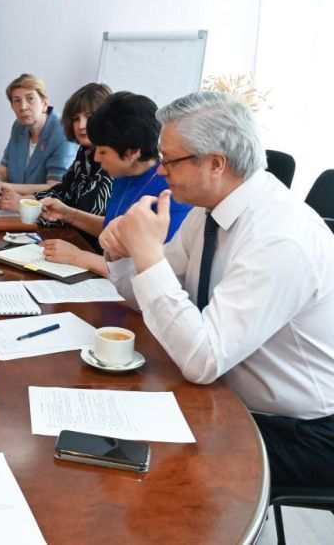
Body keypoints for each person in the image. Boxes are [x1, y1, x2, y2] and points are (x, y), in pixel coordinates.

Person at [99, 92, 334, 486]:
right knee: (112, 419)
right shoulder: (207, 211)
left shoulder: (279, 237)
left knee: (150, 467)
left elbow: (203, 361)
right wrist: (124, 253)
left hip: (298, 430)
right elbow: (145, 299)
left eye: (169, 160)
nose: (161, 172)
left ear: (215, 163)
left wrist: (149, 256)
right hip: (225, 392)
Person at [36, 91, 191, 276]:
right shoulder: (123, 173)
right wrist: (68, 214)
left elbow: (156, 271)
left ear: (132, 153)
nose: (96, 158)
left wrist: (79, 257)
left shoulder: (172, 193)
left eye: (102, 152)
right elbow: (114, 229)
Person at [0, 83, 113, 248]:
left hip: (92, 249)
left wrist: (27, 209)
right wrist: (24, 201)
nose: (81, 125)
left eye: (89, 117)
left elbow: (80, 215)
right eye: (76, 119)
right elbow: (62, 190)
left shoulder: (110, 160)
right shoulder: (85, 152)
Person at [0, 73, 76, 195]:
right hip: (15, 203)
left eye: (30, 99)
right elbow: (3, 172)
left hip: (45, 205)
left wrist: (1, 186)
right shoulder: (19, 126)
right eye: (17, 101)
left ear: (45, 103)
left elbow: (55, 187)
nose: (23, 107)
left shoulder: (63, 133)